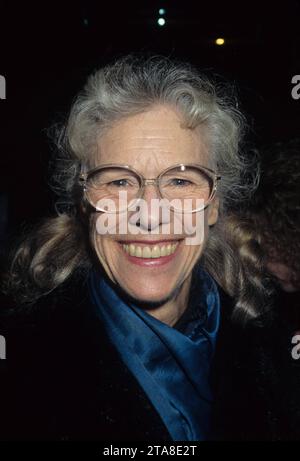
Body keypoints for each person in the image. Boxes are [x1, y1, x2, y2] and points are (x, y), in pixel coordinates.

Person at [0, 56, 276, 441]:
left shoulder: (271, 343)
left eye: (181, 182)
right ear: (84, 203)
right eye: (117, 182)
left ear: (213, 205)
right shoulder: (22, 371)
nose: (149, 215)